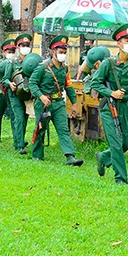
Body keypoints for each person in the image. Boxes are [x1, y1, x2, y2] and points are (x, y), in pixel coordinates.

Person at [90, 24, 128, 184]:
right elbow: (94, 83)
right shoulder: (108, 64)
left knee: (125, 143)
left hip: (123, 107)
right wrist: (112, 93)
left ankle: (103, 157)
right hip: (108, 107)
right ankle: (121, 179)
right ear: (118, 43)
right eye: (126, 40)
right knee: (116, 143)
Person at [27, 35, 84, 165]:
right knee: (41, 129)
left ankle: (70, 157)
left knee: (63, 129)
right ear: (53, 52)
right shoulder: (43, 67)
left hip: (58, 103)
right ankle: (37, 155)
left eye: (65, 52)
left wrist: (74, 103)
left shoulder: (65, 68)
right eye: (60, 52)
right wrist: (41, 97)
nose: (63, 55)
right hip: (43, 104)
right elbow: (32, 83)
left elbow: (69, 86)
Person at [5, 33, 33, 154]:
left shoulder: (33, 61)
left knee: (25, 118)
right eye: (22, 45)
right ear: (17, 47)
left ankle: (18, 141)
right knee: (19, 117)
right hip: (15, 95)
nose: (25, 47)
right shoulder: (11, 62)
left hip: (27, 95)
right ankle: (20, 145)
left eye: (27, 45)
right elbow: (4, 78)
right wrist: (9, 84)